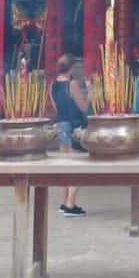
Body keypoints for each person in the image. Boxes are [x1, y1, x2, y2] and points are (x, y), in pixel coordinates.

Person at [50, 54, 89, 216]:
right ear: (71, 67)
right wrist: (91, 91)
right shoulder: (72, 84)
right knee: (79, 165)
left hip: (60, 125)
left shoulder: (52, 85)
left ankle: (63, 202)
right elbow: (84, 107)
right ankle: (70, 205)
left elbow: (55, 107)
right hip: (73, 127)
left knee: (65, 166)